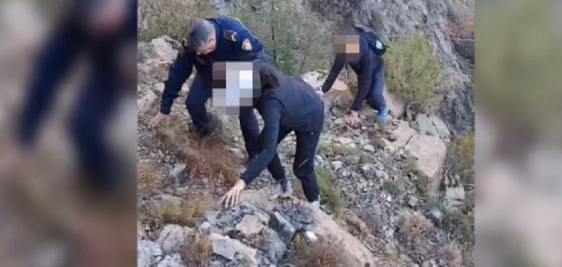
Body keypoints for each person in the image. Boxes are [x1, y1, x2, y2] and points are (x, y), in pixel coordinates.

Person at [3, 0, 138, 193]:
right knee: (82, 127)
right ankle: (111, 183)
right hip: (107, 67)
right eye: (98, 25)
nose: (106, 27)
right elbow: (48, 73)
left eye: (110, 16)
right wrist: (25, 137)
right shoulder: (75, 20)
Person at [150, 18, 267, 161]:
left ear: (212, 40)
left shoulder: (235, 34)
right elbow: (178, 73)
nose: (200, 54)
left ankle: (255, 155)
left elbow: (258, 59)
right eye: (198, 52)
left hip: (235, 73)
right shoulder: (191, 45)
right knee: (193, 103)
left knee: (244, 112)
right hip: (208, 73)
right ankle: (208, 131)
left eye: (204, 51)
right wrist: (165, 109)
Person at [221, 61, 324, 208]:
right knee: (261, 144)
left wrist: (241, 183)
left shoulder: (271, 105)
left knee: (301, 168)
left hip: (311, 115)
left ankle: (314, 203)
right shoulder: (256, 73)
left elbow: (269, 151)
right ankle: (282, 184)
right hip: (289, 107)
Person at [319, 25, 389, 128]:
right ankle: (365, 99)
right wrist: (322, 91)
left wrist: (355, 110)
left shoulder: (367, 55)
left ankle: (383, 108)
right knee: (365, 95)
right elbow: (334, 72)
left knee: (375, 97)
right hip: (361, 70)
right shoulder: (343, 49)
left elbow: (365, 82)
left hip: (376, 68)